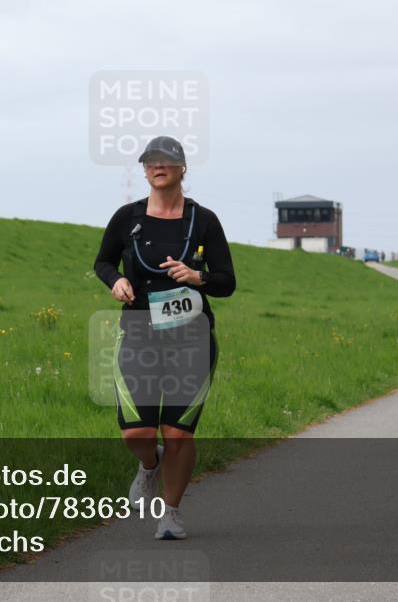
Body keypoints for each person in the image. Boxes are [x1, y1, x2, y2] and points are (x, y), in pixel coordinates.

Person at [94, 135, 236, 540]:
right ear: (144, 169)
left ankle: (170, 514)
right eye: (151, 161)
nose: (158, 166)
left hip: (191, 338)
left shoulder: (204, 220)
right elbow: (102, 260)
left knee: (178, 433)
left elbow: (227, 282)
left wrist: (198, 277)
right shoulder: (127, 217)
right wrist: (117, 279)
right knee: (136, 432)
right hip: (138, 331)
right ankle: (149, 466)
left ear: (182, 168)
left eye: (167, 160)